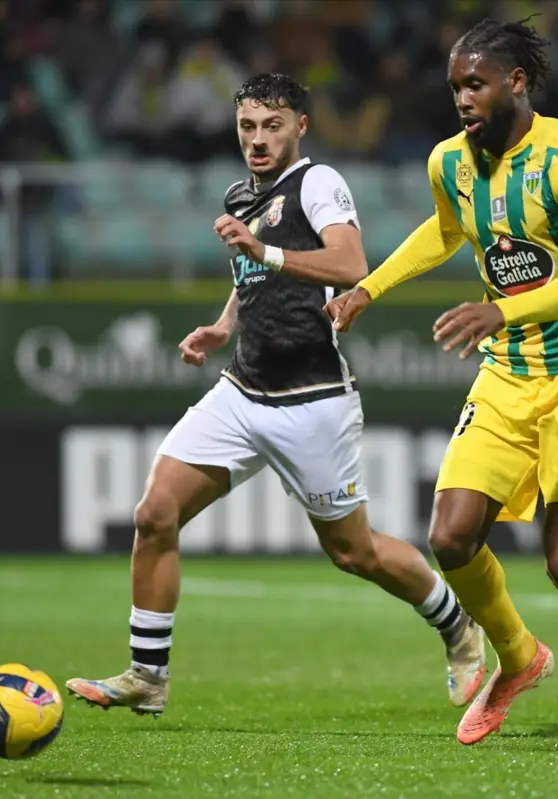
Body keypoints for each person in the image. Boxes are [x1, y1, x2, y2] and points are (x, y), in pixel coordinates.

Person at [65, 73, 487, 718]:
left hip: (312, 398)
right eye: (246, 127)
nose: (257, 140)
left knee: (355, 552)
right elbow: (252, 274)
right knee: (154, 514)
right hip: (242, 389)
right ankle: (148, 676)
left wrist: (263, 247)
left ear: (300, 127)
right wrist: (224, 324)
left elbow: (349, 263)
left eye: (272, 126)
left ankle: (458, 627)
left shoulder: (317, 184)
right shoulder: (241, 193)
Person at [327, 19, 558, 753]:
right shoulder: (450, 163)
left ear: (517, 82)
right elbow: (442, 232)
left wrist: (497, 307)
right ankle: (520, 657)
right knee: (451, 534)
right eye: (456, 86)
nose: (463, 97)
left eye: (476, 83)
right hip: (508, 373)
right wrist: (367, 289)